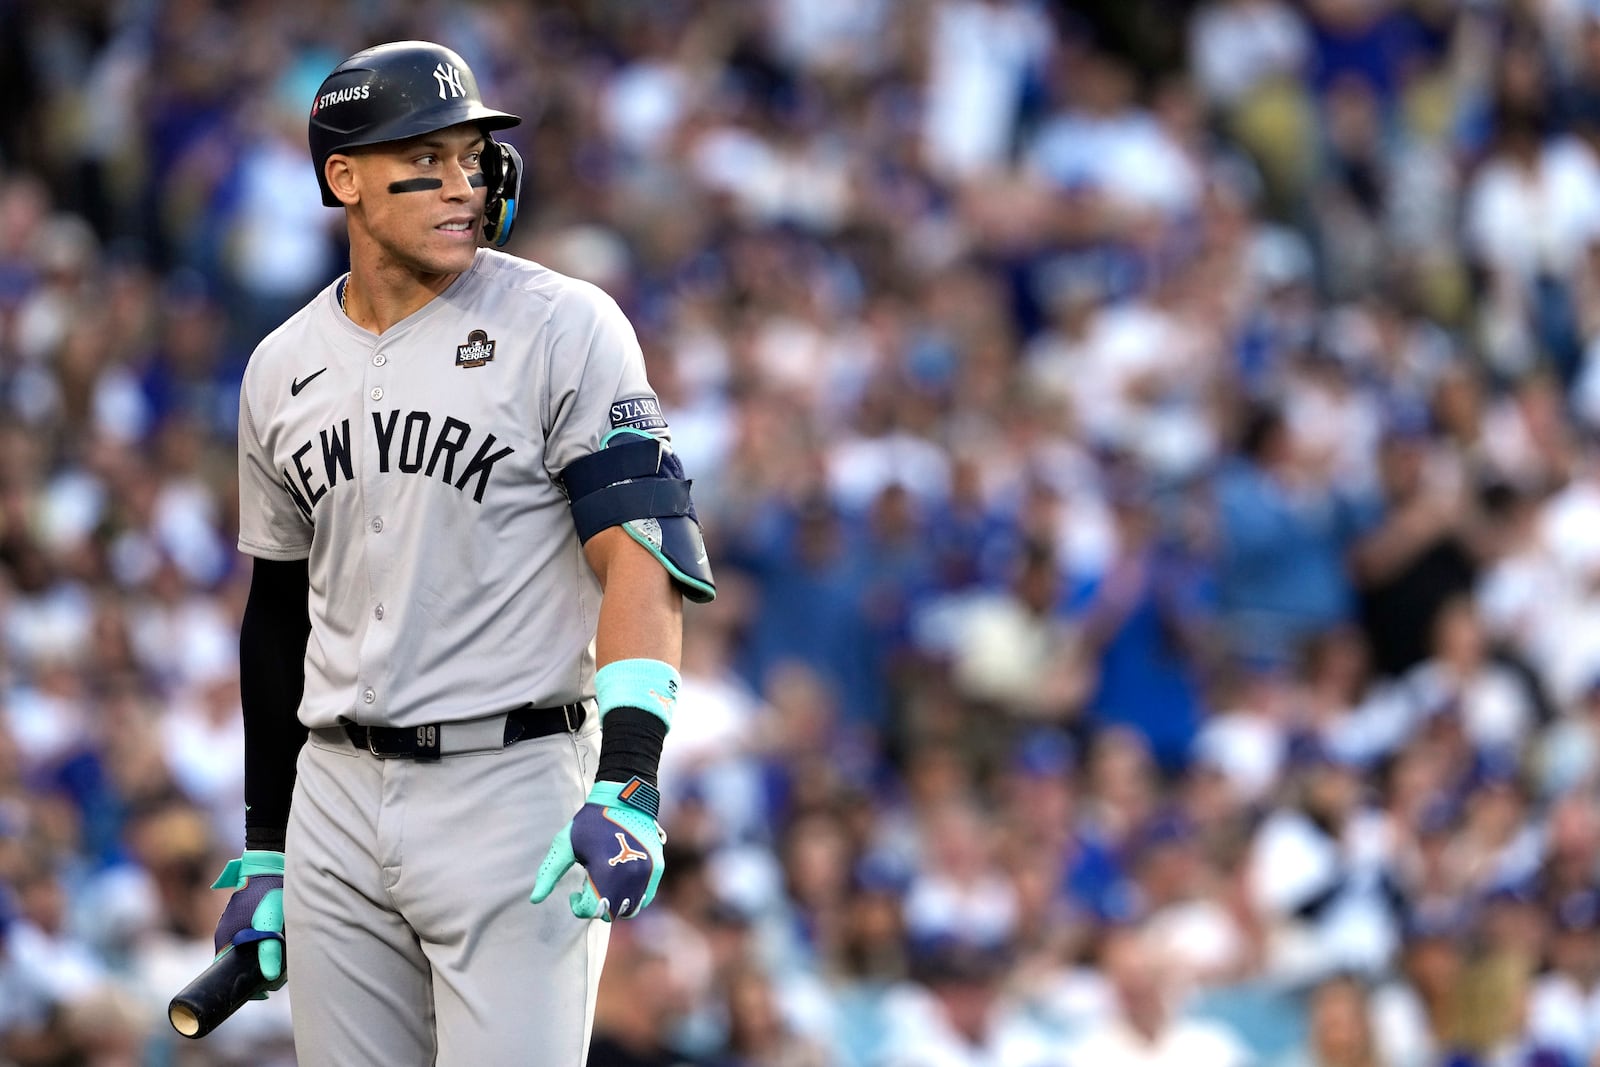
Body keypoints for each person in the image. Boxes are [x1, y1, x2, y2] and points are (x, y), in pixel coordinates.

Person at [208, 40, 715, 1064]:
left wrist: (627, 778)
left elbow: (641, 556)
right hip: (337, 797)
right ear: (342, 179)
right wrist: (268, 837)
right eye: (426, 159)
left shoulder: (566, 325)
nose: (462, 183)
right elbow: (277, 609)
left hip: (512, 782)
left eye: (472, 158)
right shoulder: (279, 368)